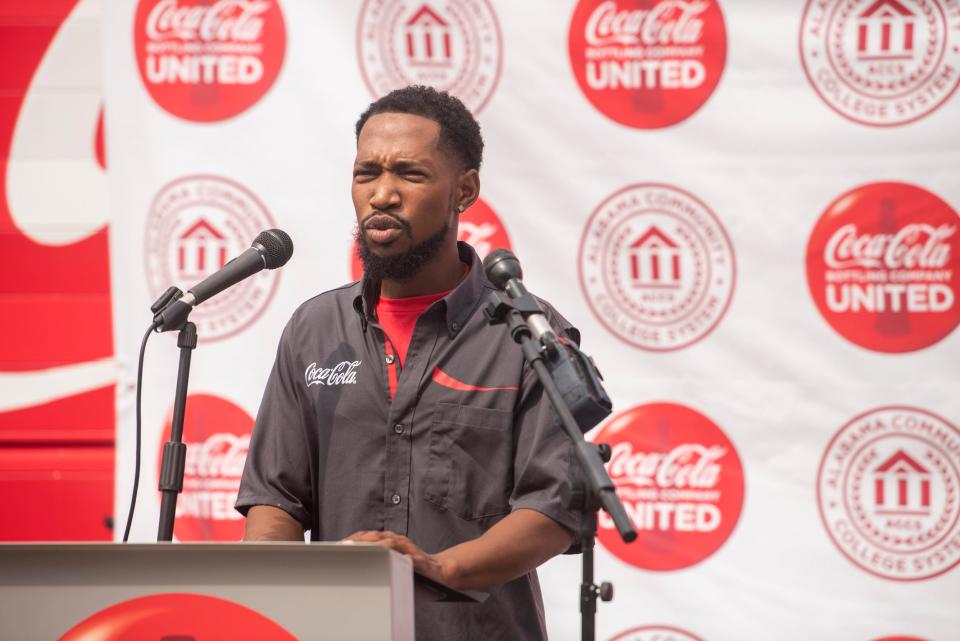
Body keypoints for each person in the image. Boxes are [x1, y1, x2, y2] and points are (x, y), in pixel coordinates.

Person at [236, 85, 581, 641]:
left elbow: (552, 510)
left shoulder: (529, 333)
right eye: (366, 173)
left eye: (410, 175)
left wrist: (436, 568)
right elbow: (276, 502)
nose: (382, 194)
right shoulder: (314, 330)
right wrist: (274, 610)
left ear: (464, 190)